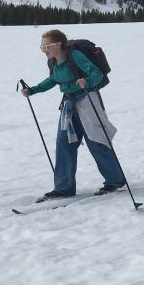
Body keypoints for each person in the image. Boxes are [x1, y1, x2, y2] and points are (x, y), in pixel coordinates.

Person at [20, 29, 126, 202]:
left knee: (96, 141)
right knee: (64, 144)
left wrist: (87, 82)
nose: (44, 50)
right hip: (69, 104)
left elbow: (96, 73)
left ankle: (115, 181)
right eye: (41, 46)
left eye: (46, 46)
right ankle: (63, 188)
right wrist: (32, 90)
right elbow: (53, 80)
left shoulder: (75, 55)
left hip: (88, 99)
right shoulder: (54, 62)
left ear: (58, 44)